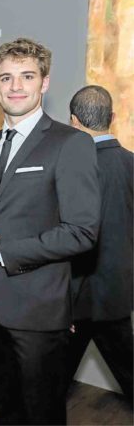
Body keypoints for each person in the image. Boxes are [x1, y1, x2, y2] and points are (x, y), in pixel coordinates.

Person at [0, 38, 101, 425]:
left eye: (27, 76)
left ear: (45, 82)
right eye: (6, 78)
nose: (16, 86)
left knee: (42, 415)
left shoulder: (70, 143)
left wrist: (3, 254)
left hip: (38, 309)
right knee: (0, 412)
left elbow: (82, 231)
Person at [67, 85, 132, 404]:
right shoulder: (132, 164)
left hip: (75, 297)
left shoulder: (70, 168)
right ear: (113, 117)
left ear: (74, 121)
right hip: (118, 293)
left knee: (48, 389)